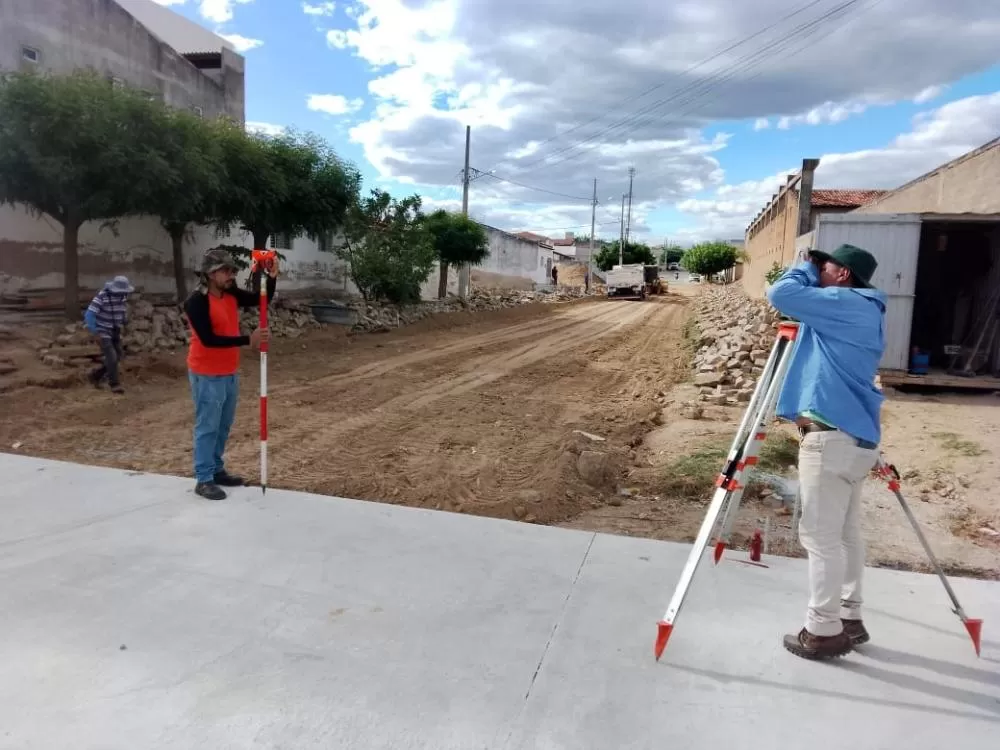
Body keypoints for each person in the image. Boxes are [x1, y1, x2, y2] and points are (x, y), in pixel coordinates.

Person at [766, 244, 886, 661]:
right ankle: (850, 617)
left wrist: (801, 267)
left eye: (826, 264)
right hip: (854, 439)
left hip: (830, 438)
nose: (819, 267)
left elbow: (780, 295)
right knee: (847, 536)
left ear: (843, 275)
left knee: (819, 539)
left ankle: (822, 630)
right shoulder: (865, 308)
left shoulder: (842, 301)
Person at [183, 248, 278, 501]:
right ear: (211, 274)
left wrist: (271, 276)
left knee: (223, 425)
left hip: (228, 371)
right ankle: (203, 479)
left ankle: (216, 469)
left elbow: (263, 300)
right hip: (206, 373)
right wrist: (249, 339)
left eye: (233, 270)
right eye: (226, 271)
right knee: (207, 426)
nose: (231, 275)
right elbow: (209, 339)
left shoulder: (231, 294)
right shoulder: (196, 301)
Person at [84, 275, 134, 394]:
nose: (122, 294)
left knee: (118, 356)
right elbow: (89, 315)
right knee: (111, 356)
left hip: (115, 330)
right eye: (120, 292)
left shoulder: (123, 297)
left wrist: (123, 320)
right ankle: (114, 385)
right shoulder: (102, 297)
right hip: (102, 330)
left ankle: (95, 375)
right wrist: (94, 332)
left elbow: (121, 311)